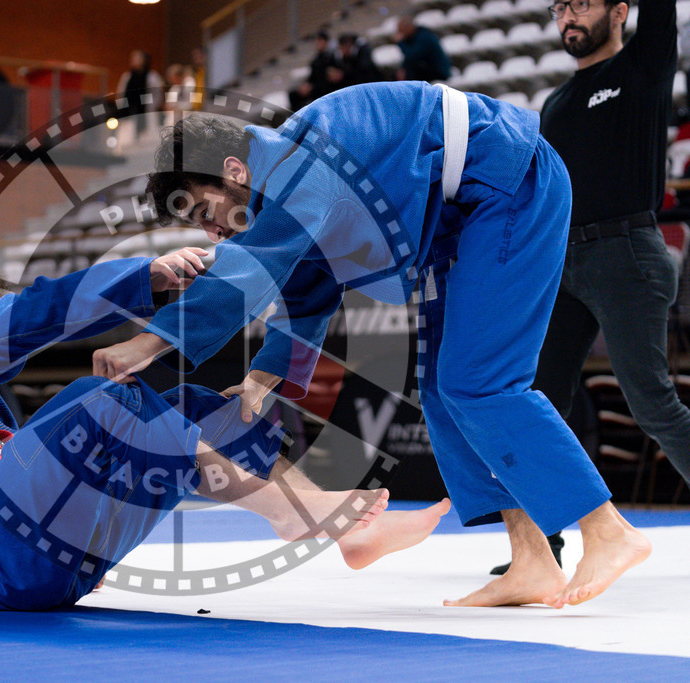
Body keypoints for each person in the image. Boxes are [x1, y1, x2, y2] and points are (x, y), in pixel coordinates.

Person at [92, 83, 653, 609]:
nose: (212, 233)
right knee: (438, 388)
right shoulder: (286, 191)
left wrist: (151, 343)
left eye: (204, 212)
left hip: (509, 182)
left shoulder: (299, 158)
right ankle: (533, 560)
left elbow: (250, 269)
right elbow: (310, 284)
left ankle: (607, 531)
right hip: (455, 225)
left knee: (478, 381)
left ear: (234, 171)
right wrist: (267, 373)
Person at [0, 251, 445, 610]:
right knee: (101, 401)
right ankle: (288, 511)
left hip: (46, 573)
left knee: (198, 402)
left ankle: (329, 524)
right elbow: (35, 315)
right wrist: (144, 275)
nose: (2, 336)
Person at [487, 0, 690, 579]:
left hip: (628, 253)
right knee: (537, 402)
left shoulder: (641, 68)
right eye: (560, 7)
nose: (568, 15)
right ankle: (541, 547)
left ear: (620, 11)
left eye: (581, 4)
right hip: (563, 261)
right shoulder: (556, 102)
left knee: (652, 402)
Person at [117, 50, 164, 135]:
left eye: (137, 58)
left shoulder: (152, 76)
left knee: (146, 138)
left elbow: (158, 94)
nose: (133, 60)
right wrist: (122, 107)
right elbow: (121, 94)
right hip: (129, 112)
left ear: (144, 60)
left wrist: (152, 106)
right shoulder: (127, 77)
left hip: (147, 113)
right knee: (126, 136)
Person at [393, 14, 452, 83]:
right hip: (427, 69)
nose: (400, 34)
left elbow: (413, 56)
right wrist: (402, 69)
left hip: (439, 71)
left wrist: (401, 43)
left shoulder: (424, 37)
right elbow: (408, 59)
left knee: (412, 71)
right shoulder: (412, 38)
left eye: (401, 30)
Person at [288, 31, 338, 111]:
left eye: (320, 41)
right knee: (293, 94)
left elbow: (330, 78)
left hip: (325, 87)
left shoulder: (331, 58)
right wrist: (306, 85)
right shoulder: (316, 60)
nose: (318, 43)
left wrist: (312, 87)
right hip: (315, 86)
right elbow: (312, 76)